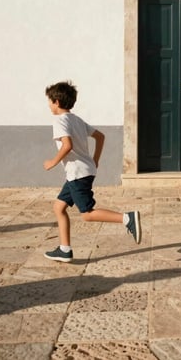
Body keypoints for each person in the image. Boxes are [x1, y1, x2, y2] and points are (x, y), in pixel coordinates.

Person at [43, 81, 141, 263]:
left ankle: (127, 218)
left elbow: (67, 145)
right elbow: (100, 136)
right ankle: (65, 249)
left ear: (56, 101)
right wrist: (95, 159)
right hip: (82, 171)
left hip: (77, 173)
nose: (48, 104)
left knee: (87, 214)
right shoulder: (76, 119)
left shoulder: (59, 121)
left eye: (49, 101)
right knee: (59, 207)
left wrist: (52, 162)